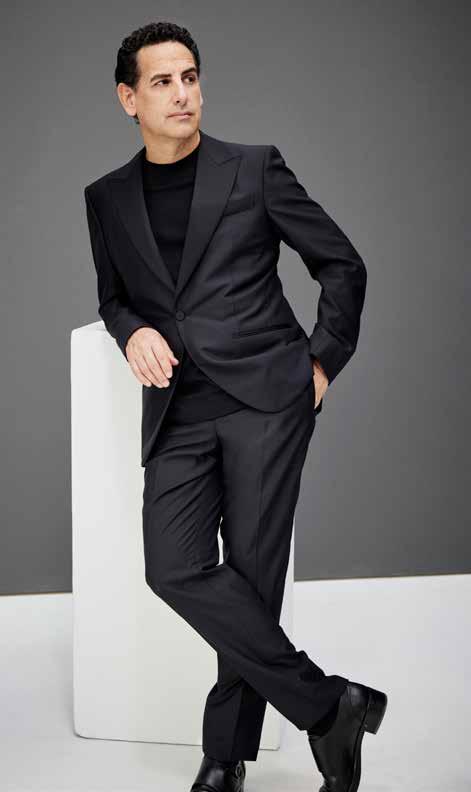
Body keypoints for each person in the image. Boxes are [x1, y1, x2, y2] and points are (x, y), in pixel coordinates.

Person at [83, 20, 387, 792]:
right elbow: (114, 296)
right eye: (161, 81)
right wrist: (131, 330)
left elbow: (340, 264)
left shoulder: (253, 169)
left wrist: (321, 362)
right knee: (174, 568)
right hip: (178, 410)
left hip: (266, 400)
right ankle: (331, 706)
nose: (181, 93)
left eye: (189, 77)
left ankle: (224, 758)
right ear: (128, 99)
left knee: (251, 579)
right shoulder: (106, 199)